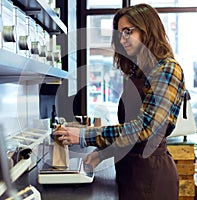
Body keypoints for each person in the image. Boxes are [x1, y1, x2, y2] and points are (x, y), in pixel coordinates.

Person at [55, 3, 185, 200]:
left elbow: (145, 128)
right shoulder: (136, 72)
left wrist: (84, 136)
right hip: (130, 171)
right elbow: (128, 130)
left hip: (151, 177)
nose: (122, 39)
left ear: (147, 30)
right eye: (119, 34)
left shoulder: (167, 69)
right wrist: (103, 153)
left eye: (127, 31)